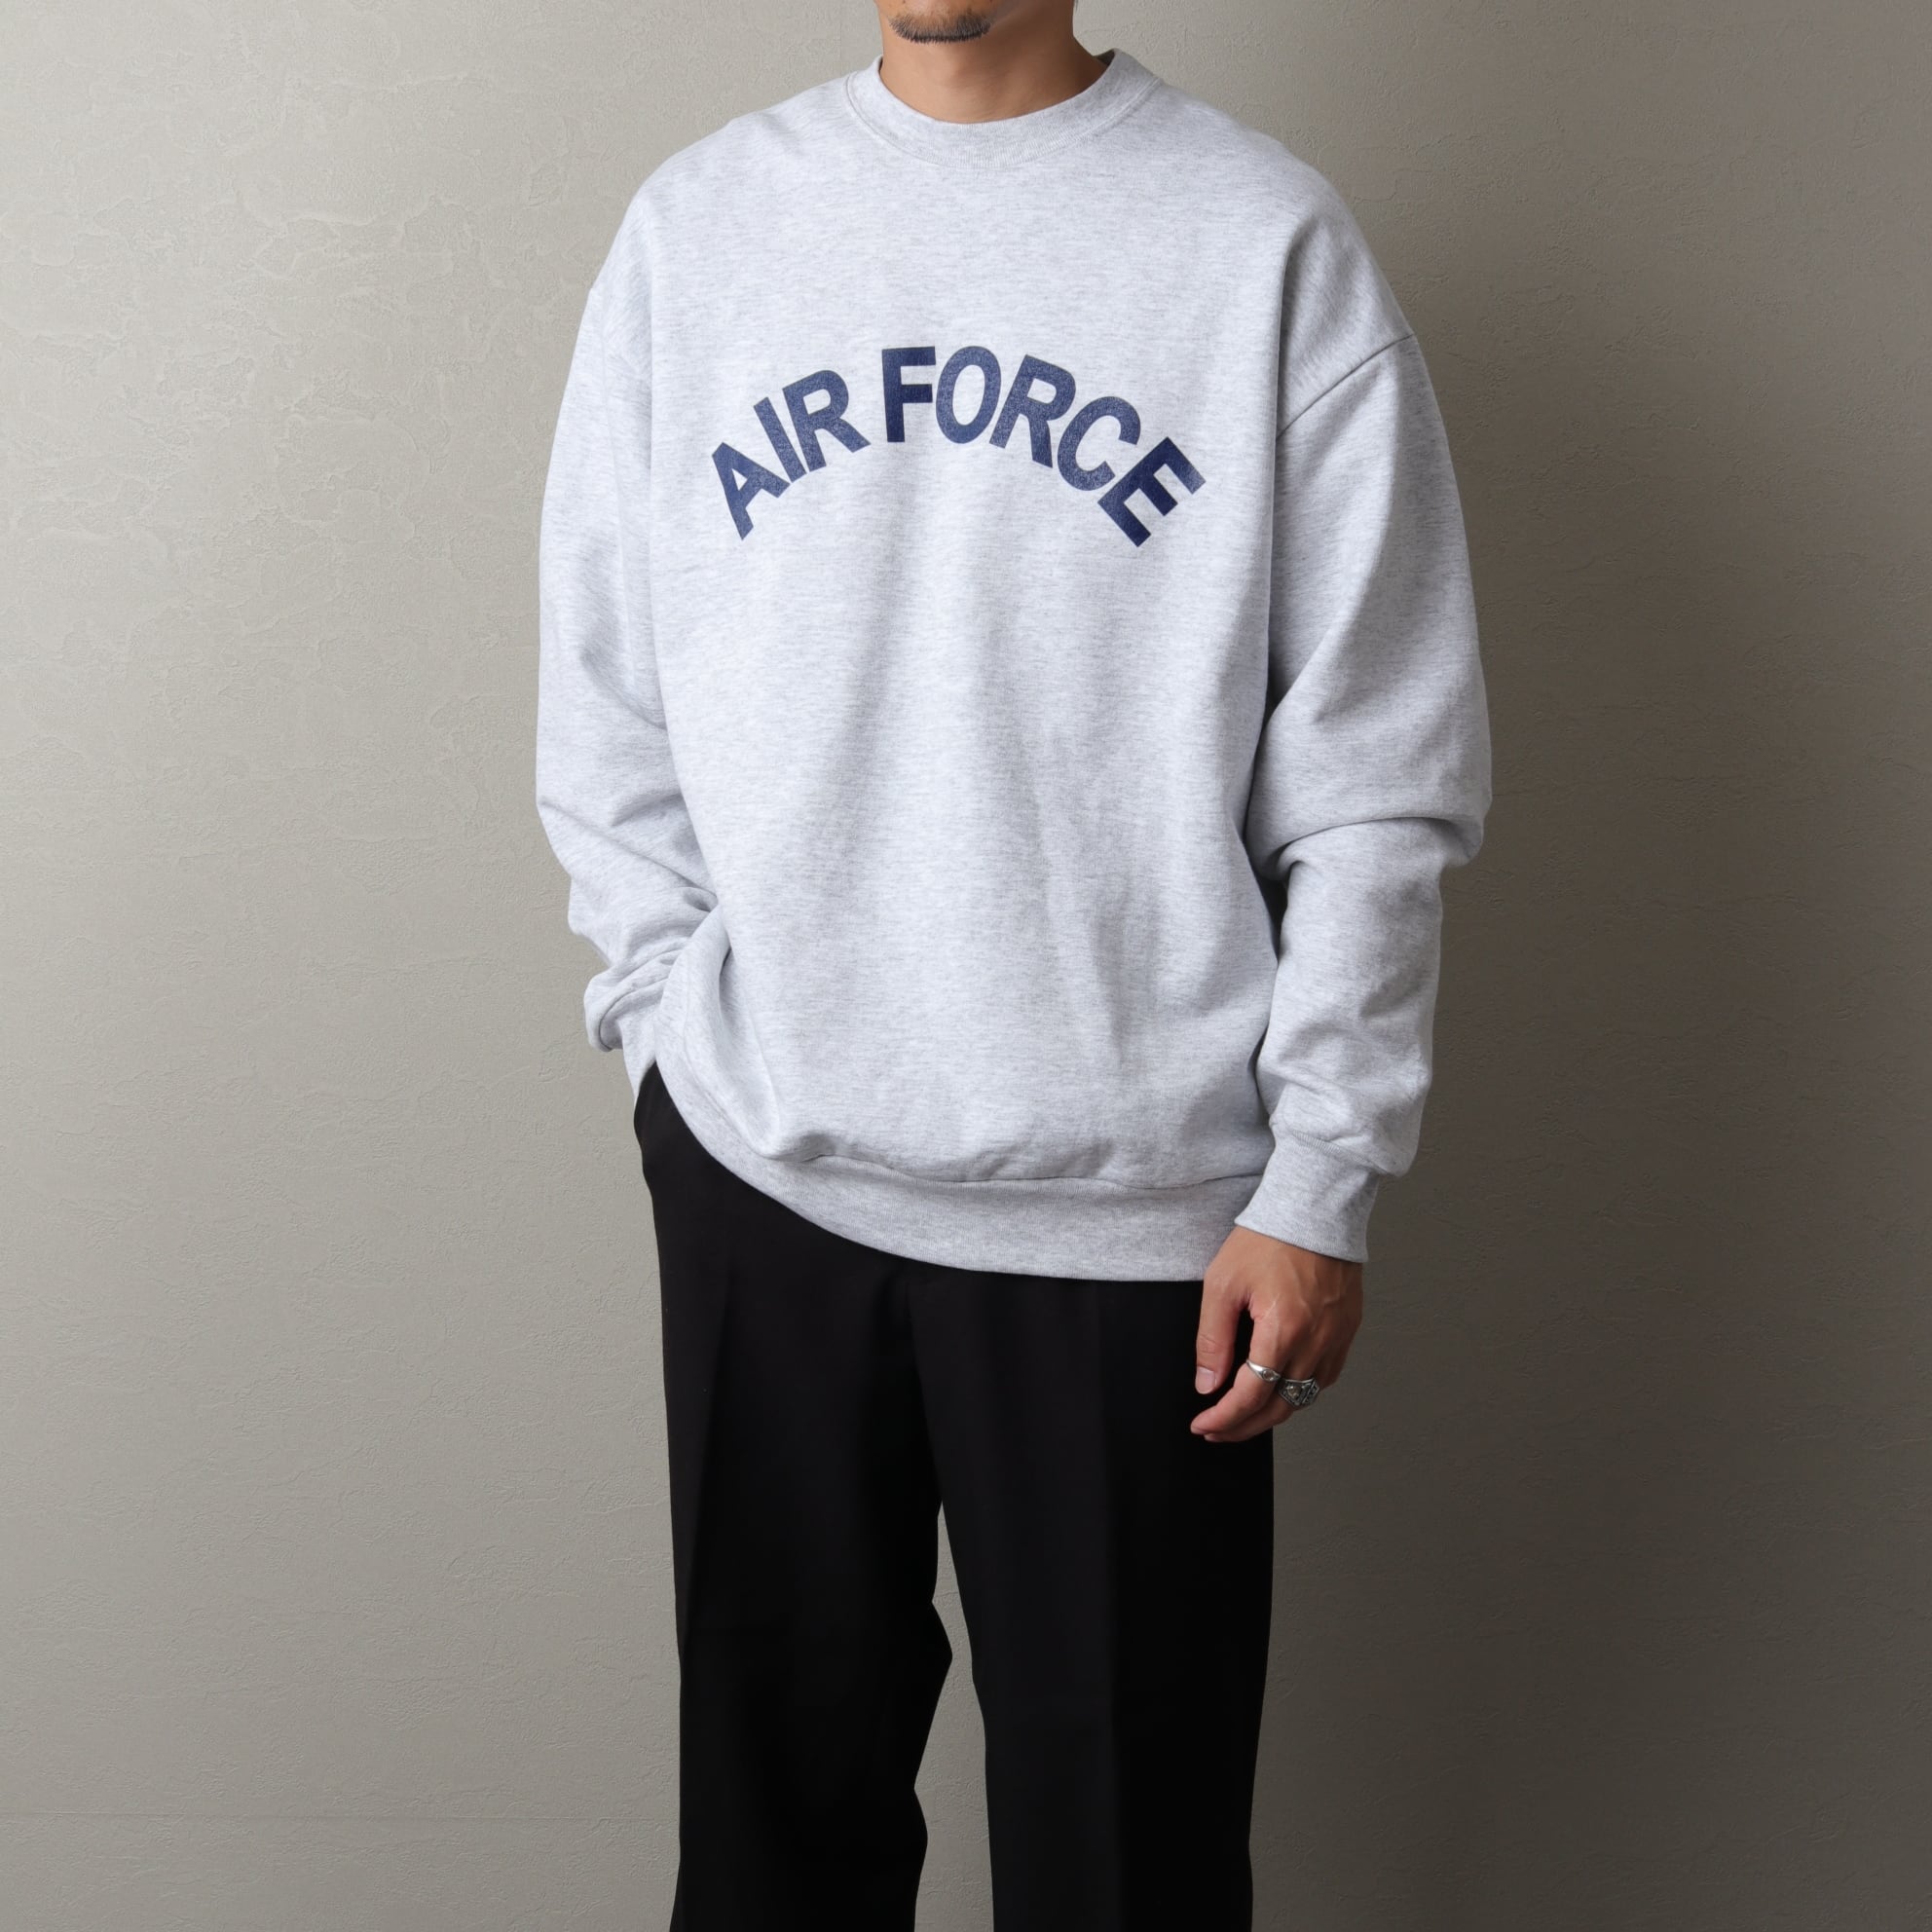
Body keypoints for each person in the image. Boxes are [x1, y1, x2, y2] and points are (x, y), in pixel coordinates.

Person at [535, 2, 1491, 1925]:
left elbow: (1377, 768)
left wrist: (1319, 1174)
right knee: (771, 1855)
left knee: (1126, 1865)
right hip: (764, 1164)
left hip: (1141, 1219)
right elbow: (603, 678)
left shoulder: (1255, 242)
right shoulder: (702, 226)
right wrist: (660, 1034)